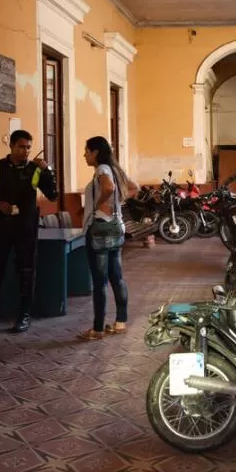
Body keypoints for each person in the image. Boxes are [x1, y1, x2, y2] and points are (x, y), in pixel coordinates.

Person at [0, 130, 59, 333]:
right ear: (11, 146)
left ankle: (24, 316)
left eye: (29, 147)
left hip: (26, 227)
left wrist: (47, 170)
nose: (26, 151)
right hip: (0, 227)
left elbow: (53, 196)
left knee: (26, 271)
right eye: (21, 147)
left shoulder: (35, 169)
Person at [78, 136, 138, 341]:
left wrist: (99, 204)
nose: (84, 155)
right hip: (116, 228)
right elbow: (135, 187)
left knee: (100, 282)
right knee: (117, 278)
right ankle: (120, 322)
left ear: (95, 152)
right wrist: (117, 202)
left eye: (86, 151)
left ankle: (97, 329)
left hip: (99, 230)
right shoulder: (116, 169)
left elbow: (109, 188)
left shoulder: (102, 169)